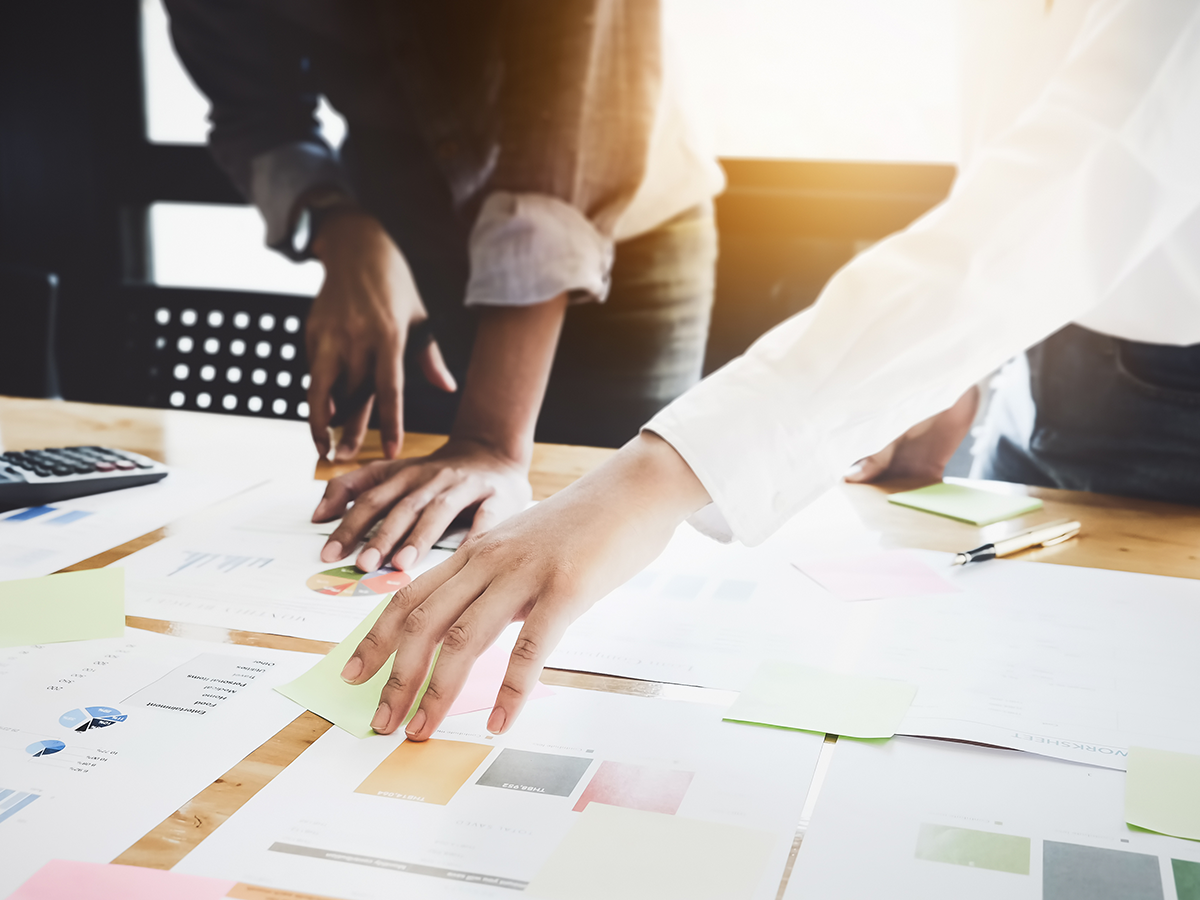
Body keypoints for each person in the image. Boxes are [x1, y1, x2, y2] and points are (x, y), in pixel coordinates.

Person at [331, 0, 1200, 741]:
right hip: (1054, 349)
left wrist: (648, 478)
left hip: (1176, 396)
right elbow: (1041, 152)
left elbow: (1097, 164)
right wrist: (961, 356)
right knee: (1015, 697)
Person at [165, 0, 722, 573]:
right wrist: (339, 226)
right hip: (413, 242)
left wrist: (490, 440)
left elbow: (563, 134)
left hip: (621, 227)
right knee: (430, 530)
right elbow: (255, 111)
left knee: (617, 538)